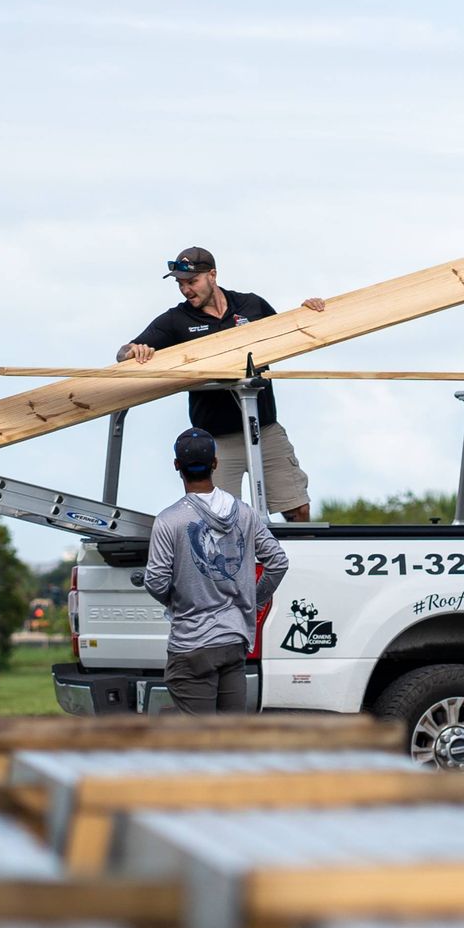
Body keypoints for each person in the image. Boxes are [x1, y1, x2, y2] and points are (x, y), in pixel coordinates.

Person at [119, 246, 327, 521]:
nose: (186, 290)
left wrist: (308, 311)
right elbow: (123, 353)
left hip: (264, 430)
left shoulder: (251, 305)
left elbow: (287, 331)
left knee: (298, 510)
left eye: (191, 282)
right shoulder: (176, 320)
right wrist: (133, 351)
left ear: (212, 275)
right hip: (217, 440)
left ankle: (296, 563)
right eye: (181, 284)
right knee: (219, 520)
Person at [143, 428, 288, 714]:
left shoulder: (169, 520)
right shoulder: (245, 513)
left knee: (201, 745)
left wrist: (180, 601)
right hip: (233, 642)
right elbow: (278, 562)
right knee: (229, 742)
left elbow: (156, 580)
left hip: (192, 646)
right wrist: (252, 601)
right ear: (215, 463)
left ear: (176, 466)